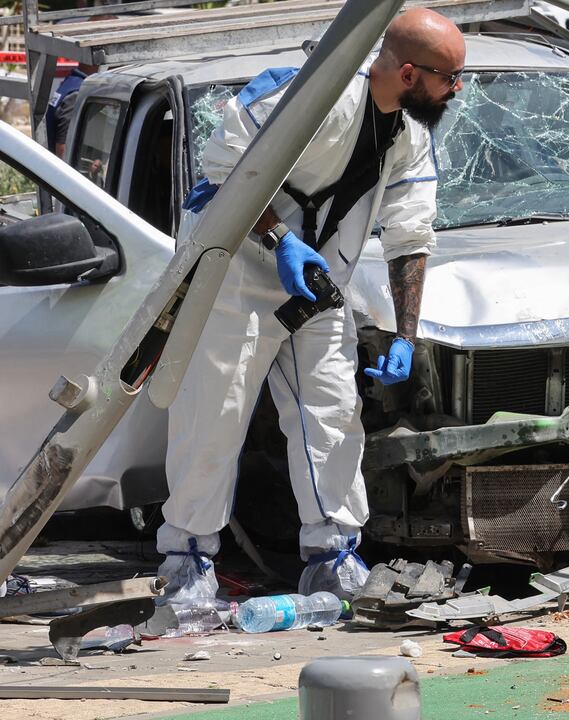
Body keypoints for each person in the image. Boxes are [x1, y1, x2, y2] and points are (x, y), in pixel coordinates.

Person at [156, 8, 465, 605]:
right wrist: (282, 241)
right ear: (407, 73)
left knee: (331, 410)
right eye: (448, 78)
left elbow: (410, 237)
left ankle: (333, 559)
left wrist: (406, 335)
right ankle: (187, 565)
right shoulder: (303, 94)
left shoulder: (411, 136)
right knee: (213, 415)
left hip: (317, 283)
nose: (455, 90)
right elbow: (226, 171)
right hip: (235, 270)